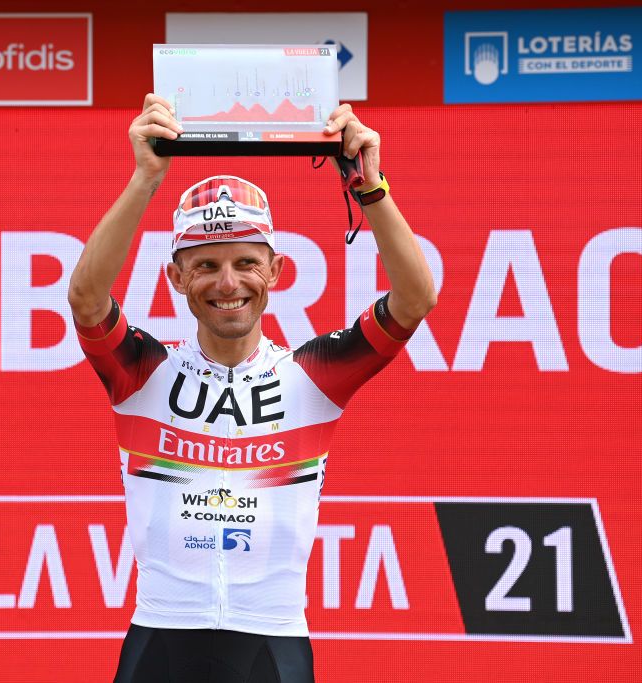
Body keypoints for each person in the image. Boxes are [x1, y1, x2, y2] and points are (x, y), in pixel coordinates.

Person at [68, 94, 436, 683]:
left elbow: (416, 300)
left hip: (274, 642)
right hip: (161, 636)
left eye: (245, 262)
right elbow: (86, 301)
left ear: (275, 272)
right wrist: (146, 177)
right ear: (177, 278)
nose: (228, 283)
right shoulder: (144, 372)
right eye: (206, 265)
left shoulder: (313, 375)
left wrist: (372, 188)